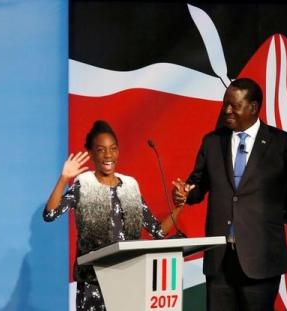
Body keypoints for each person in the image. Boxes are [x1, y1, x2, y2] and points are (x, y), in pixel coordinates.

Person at [172, 78, 287, 311]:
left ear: (253, 107)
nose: (227, 110)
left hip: (261, 260)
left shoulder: (280, 142)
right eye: (225, 104)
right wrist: (184, 194)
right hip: (220, 260)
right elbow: (197, 185)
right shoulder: (213, 141)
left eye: (234, 105)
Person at [44, 120, 183, 311]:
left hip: (128, 279)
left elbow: (157, 232)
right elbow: (50, 214)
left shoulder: (130, 186)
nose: (108, 155)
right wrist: (64, 178)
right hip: (93, 284)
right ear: (91, 153)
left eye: (113, 148)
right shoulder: (83, 185)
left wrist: (179, 206)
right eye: (100, 150)